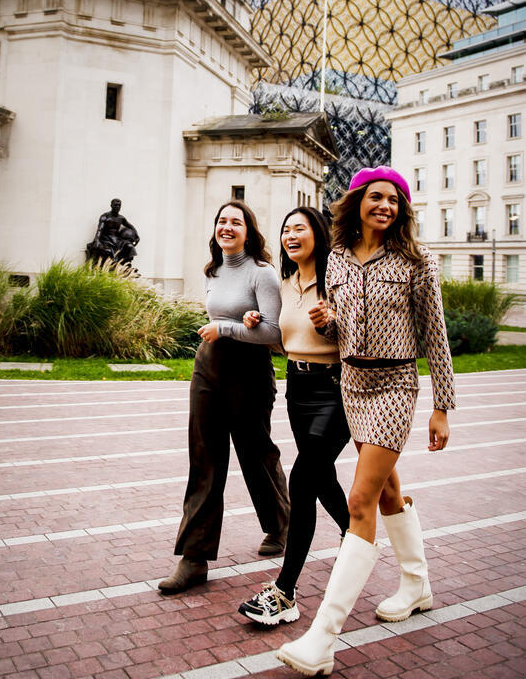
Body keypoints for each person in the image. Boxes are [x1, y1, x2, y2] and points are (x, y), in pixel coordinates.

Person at [277, 166, 456, 676]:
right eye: (376, 197)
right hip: (351, 384)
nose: (385, 205)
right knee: (386, 493)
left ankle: (323, 637)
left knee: (359, 500)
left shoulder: (416, 263)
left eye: (394, 199)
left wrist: (443, 406)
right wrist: (328, 319)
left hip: (396, 385)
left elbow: (435, 337)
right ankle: (417, 582)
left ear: (401, 210)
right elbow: (344, 324)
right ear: (356, 202)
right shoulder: (336, 261)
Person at [158, 200, 290, 594]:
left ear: (249, 231)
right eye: (221, 221)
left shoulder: (262, 273)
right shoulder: (212, 271)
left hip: (248, 372)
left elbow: (274, 334)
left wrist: (228, 328)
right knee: (204, 457)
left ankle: (281, 523)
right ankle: (194, 558)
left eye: (236, 222)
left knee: (255, 452)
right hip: (209, 367)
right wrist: (229, 326)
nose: (227, 227)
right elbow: (228, 320)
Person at [237, 206, 350, 626]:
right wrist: (255, 323)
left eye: (299, 228)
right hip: (296, 389)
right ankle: (356, 535)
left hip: (335, 390)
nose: (290, 235)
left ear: (318, 234)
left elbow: (356, 335)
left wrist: (333, 322)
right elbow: (284, 340)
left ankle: (285, 592)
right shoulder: (286, 284)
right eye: (286, 229)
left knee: (303, 481)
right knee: (322, 477)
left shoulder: (338, 281)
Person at [86, 198, 139, 266]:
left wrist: (137, 236)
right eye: (115, 205)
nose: (117, 207)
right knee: (107, 250)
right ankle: (108, 266)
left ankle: (126, 267)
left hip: (117, 240)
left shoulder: (121, 218)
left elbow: (130, 226)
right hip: (106, 239)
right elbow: (99, 230)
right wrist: (97, 240)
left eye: (119, 205)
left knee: (129, 246)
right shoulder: (105, 216)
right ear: (111, 205)